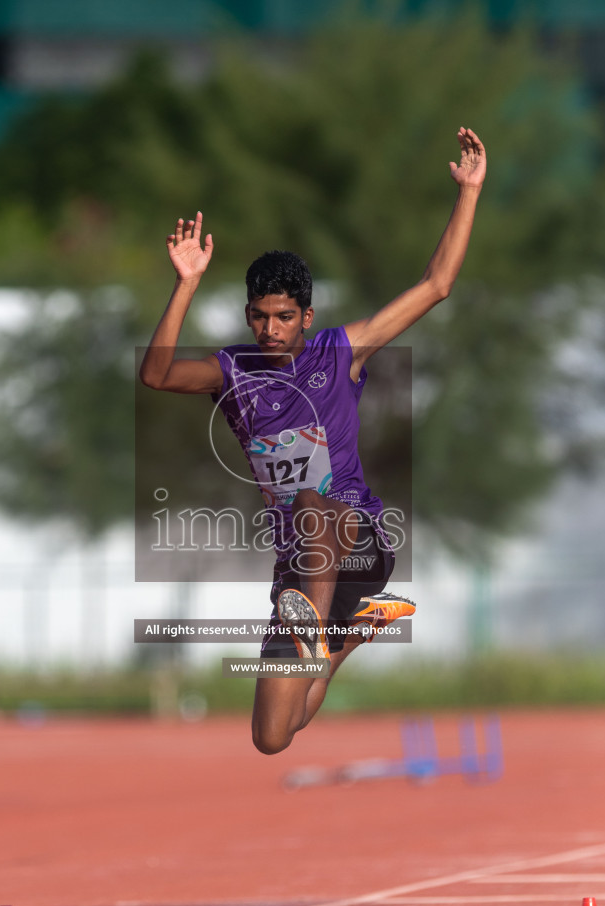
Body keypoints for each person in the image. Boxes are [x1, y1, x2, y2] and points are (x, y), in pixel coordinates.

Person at [140, 126, 486, 754]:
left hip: (356, 539)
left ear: (308, 317)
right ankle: (344, 636)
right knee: (275, 734)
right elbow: (157, 374)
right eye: (259, 316)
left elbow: (436, 285)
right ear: (249, 315)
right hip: (300, 569)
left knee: (309, 501)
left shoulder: (340, 352)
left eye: (284, 317)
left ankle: (314, 627)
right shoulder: (231, 372)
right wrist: (185, 284)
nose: (270, 329)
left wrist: (468, 192)